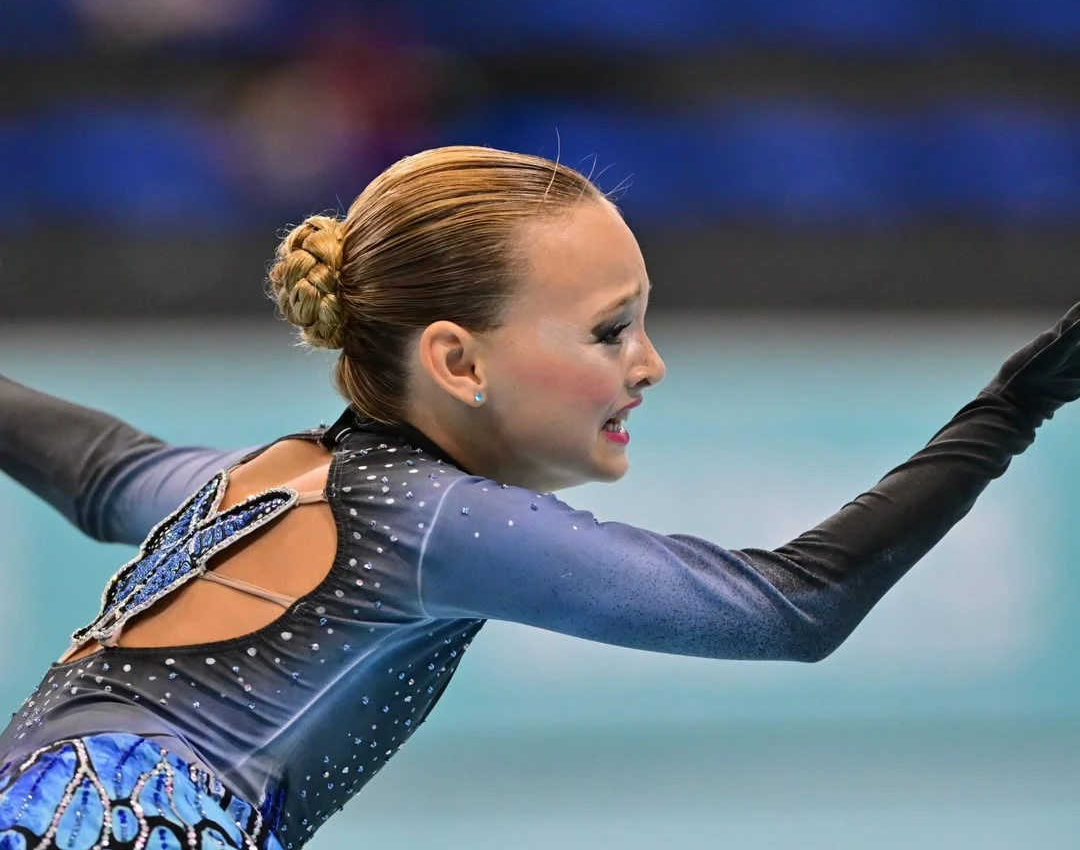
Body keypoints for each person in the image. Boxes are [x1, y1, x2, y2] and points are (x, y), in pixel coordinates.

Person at [1, 144, 1078, 850]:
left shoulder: (257, 478)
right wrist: (1013, 406)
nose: (648, 364)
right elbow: (790, 608)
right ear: (459, 364)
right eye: (611, 330)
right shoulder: (435, 521)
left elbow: (101, 467)